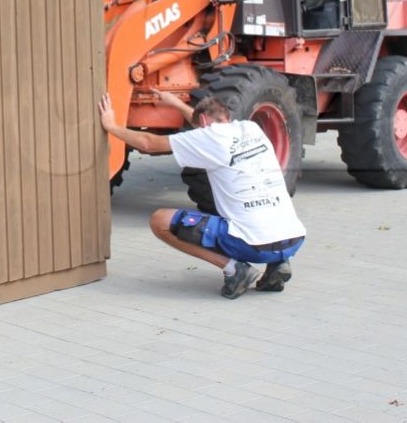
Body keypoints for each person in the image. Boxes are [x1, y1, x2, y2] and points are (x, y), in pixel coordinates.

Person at [97, 89, 306, 299]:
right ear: (227, 116)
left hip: (253, 245)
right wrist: (176, 104)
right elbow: (206, 129)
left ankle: (235, 269)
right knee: (264, 216)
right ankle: (278, 264)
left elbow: (148, 144)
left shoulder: (209, 139)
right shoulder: (251, 129)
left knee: (160, 220)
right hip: (293, 240)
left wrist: (111, 126)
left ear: (203, 122)